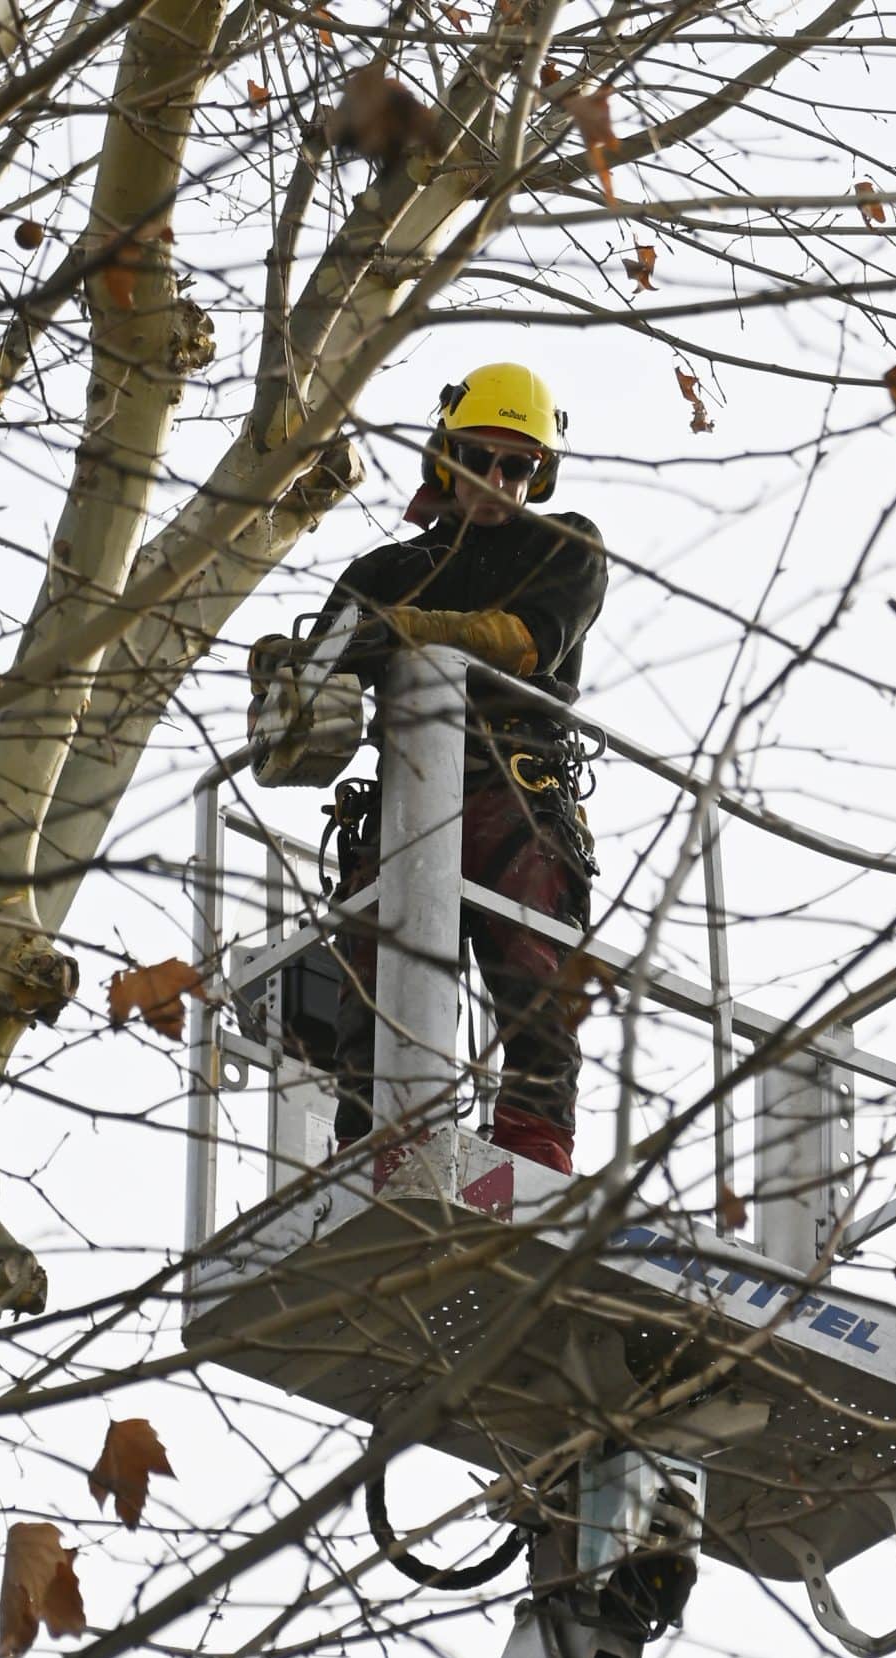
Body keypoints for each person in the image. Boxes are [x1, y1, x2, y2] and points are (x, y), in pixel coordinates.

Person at [309, 361, 610, 1175]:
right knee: (371, 977)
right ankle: (371, 1144)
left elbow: (528, 641)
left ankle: (533, 1148)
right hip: (408, 798)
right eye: (481, 459)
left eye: (519, 466)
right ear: (447, 457)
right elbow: (308, 696)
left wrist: (403, 632)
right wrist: (293, 680)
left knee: (533, 968)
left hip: (519, 791)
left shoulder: (566, 547)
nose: (499, 481)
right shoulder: (387, 570)